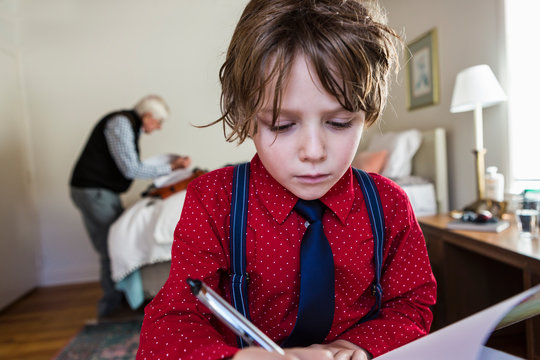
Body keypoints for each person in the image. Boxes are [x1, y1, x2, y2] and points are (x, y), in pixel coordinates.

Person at [137, 1, 436, 359]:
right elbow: (168, 325)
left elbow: (412, 304)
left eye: (339, 123)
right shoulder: (213, 199)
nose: (313, 151)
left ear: (366, 115)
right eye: (281, 124)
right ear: (247, 118)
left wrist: (356, 346)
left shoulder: (389, 205)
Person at [70, 94, 191, 318]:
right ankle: (110, 311)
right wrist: (170, 168)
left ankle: (117, 304)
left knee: (112, 244)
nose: (159, 128)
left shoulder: (128, 124)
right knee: (110, 247)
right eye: (158, 122)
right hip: (94, 192)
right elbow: (131, 169)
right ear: (147, 116)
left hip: (100, 191)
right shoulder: (121, 123)